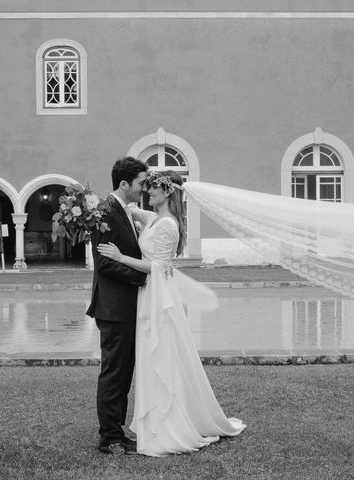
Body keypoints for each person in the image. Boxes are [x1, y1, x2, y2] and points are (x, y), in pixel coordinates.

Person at [97, 170, 245, 457]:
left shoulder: (168, 225)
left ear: (168, 193)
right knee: (152, 356)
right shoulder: (153, 218)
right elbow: (126, 208)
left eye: (153, 188)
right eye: (146, 186)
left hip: (158, 295)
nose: (148, 192)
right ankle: (152, 421)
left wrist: (120, 257)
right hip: (147, 295)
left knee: (161, 355)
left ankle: (169, 423)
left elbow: (160, 266)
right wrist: (90, 206)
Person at [86, 156, 148, 455]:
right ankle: (108, 436)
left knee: (124, 371)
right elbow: (104, 262)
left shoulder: (125, 211)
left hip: (126, 306)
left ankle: (117, 431)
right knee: (114, 372)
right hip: (113, 307)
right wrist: (142, 278)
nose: (143, 189)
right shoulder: (105, 211)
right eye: (140, 184)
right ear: (124, 184)